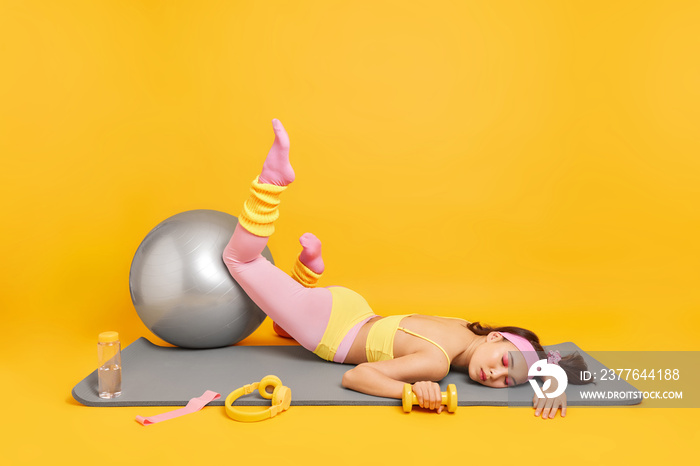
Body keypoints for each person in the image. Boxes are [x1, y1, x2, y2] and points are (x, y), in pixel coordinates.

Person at [223, 119, 590, 418]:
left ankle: (307, 273)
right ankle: (271, 182)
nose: (496, 374)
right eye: (504, 362)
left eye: (507, 382)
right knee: (239, 259)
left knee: (283, 326)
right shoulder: (435, 365)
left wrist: (551, 376)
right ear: (496, 338)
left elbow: (534, 357)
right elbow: (357, 376)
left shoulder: (465, 327)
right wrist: (411, 391)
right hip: (331, 328)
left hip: (354, 308)